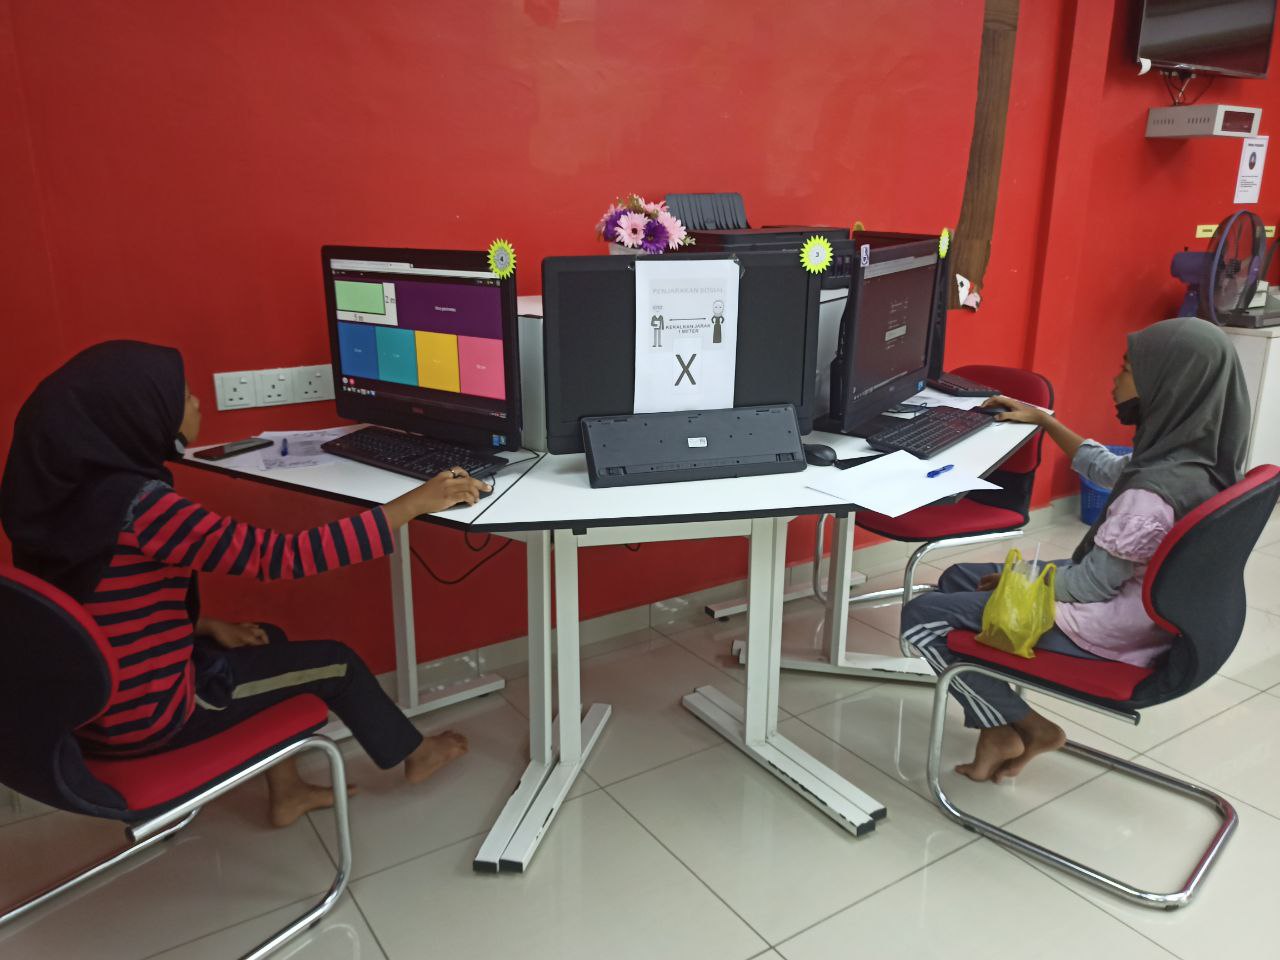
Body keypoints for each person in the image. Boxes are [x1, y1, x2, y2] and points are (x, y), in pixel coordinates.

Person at [0, 341, 493, 827]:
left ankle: (288, 793)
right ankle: (417, 754)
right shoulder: (143, 508)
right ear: (136, 416)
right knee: (337, 663)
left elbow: (100, 607)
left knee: (263, 638)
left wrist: (202, 625)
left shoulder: (62, 496)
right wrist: (413, 504)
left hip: (94, 708)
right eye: (182, 396)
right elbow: (279, 557)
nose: (196, 403)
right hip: (151, 713)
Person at [901, 317, 1249, 783]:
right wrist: (1044, 420)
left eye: (1127, 370)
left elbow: (1088, 587)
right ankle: (997, 721)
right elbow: (1106, 468)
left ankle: (1020, 727)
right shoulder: (1192, 459)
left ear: (1166, 386)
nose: (1115, 379)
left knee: (921, 617)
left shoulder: (1151, 494)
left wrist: (1015, 580)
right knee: (957, 579)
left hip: (1107, 629)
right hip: (1140, 611)